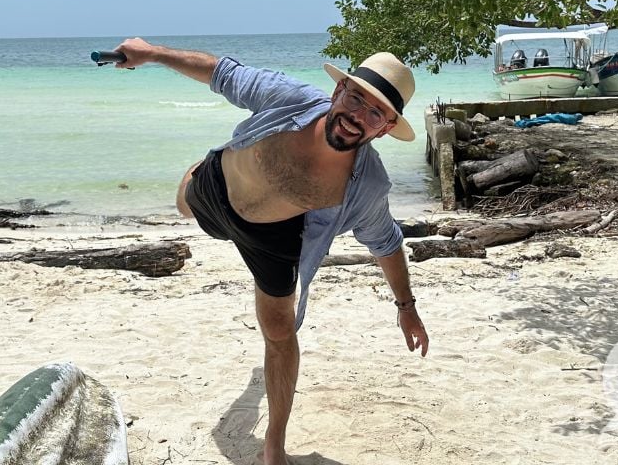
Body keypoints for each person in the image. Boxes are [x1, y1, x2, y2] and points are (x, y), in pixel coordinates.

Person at [111, 37, 429, 465]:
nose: (358, 116)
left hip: (276, 241)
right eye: (355, 98)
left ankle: (274, 445)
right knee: (184, 202)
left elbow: (385, 242)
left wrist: (405, 305)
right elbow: (222, 72)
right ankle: (192, 174)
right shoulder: (290, 98)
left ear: (386, 128)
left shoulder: (366, 185)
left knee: (280, 334)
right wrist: (151, 53)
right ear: (338, 91)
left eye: (375, 113)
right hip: (217, 189)